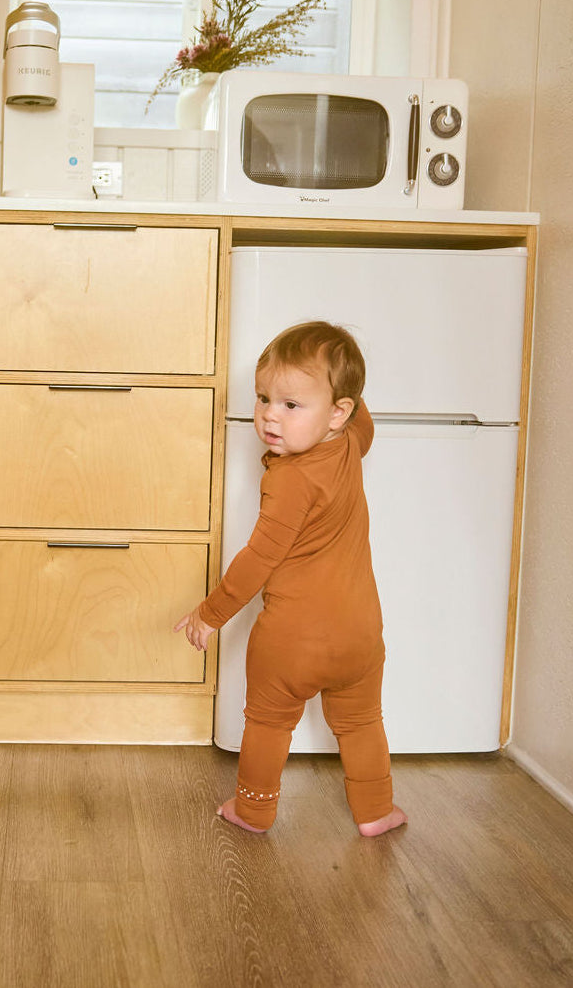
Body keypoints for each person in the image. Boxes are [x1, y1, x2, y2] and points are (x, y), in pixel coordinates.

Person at [174, 320, 407, 837]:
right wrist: (337, 382)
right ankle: (375, 812)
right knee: (363, 723)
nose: (269, 417)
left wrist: (211, 614)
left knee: (268, 723)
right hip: (360, 635)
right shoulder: (349, 446)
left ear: (335, 414)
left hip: (292, 641)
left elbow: (259, 558)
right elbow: (358, 410)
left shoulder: (290, 479)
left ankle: (252, 809)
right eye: (263, 399)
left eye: (291, 405)